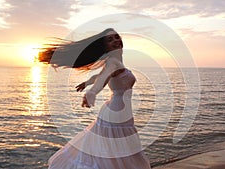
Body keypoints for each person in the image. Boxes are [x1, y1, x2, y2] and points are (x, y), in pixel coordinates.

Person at [38, 28, 151, 169]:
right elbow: (103, 78)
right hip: (115, 113)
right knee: (117, 148)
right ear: (105, 47)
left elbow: (101, 76)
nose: (116, 40)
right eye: (110, 40)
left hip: (119, 112)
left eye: (116, 37)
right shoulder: (113, 62)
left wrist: (87, 82)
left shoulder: (115, 61)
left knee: (118, 147)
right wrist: (92, 92)